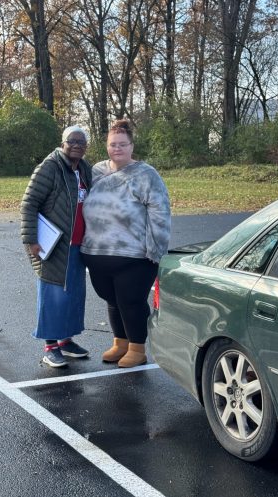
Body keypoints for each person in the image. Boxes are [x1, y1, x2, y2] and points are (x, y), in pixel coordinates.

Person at [80, 119, 171, 368]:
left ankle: (137, 348)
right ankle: (120, 342)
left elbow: (160, 212)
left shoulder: (146, 175)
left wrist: (157, 248)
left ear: (131, 146)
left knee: (130, 300)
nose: (117, 148)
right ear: (106, 146)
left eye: (122, 144)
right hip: (96, 252)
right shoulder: (96, 171)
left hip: (135, 255)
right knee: (111, 299)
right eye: (112, 144)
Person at [20, 125, 92, 368]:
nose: (76, 145)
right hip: (52, 246)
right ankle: (50, 346)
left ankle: (66, 341)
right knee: (53, 296)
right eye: (72, 141)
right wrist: (31, 239)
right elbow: (29, 204)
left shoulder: (84, 169)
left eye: (81, 142)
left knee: (72, 294)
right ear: (63, 143)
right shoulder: (49, 167)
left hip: (78, 245)